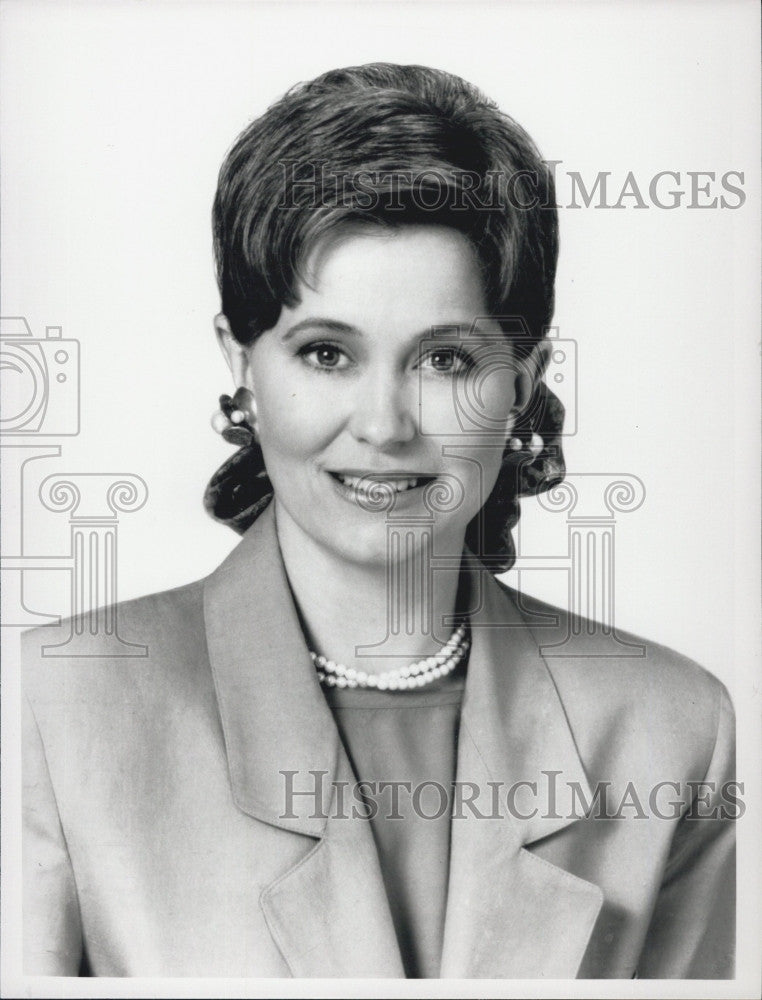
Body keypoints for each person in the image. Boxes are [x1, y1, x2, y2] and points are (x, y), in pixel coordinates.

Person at [22, 63, 735, 979]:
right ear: (241, 363)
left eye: (444, 358)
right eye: (326, 352)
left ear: (522, 379)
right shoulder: (47, 709)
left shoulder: (672, 733)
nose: (385, 426)